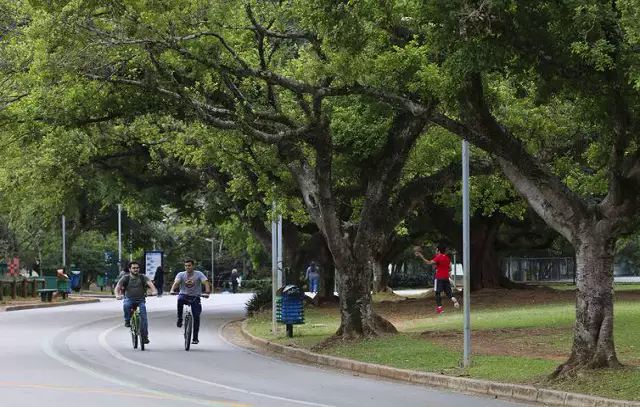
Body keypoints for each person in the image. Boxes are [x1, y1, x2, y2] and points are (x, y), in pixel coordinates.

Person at [114, 261, 157, 344]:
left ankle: (144, 337)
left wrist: (154, 291)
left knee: (144, 318)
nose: (136, 269)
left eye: (137, 268)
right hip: (129, 299)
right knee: (126, 305)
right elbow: (118, 287)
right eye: (133, 268)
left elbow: (150, 284)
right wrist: (117, 295)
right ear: (130, 269)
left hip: (140, 300)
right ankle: (127, 320)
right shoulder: (125, 278)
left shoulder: (142, 277)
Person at [170, 259, 211, 345]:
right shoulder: (181, 274)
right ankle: (180, 319)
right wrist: (172, 290)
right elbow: (176, 283)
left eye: (189, 265)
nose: (187, 267)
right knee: (179, 299)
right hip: (184, 295)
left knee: (196, 316)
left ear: (193, 266)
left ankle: (195, 337)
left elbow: (206, 282)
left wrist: (207, 292)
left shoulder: (199, 274)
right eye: (186, 266)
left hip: (195, 297)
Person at [415, 244, 459, 314]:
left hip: (439, 278)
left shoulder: (438, 257)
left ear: (438, 250)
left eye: (436, 250)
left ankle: (440, 308)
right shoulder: (447, 258)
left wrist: (421, 256)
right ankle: (453, 299)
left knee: (437, 293)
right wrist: (440, 268)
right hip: (446, 278)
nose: (436, 251)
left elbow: (428, 262)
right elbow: (450, 268)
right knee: (448, 292)